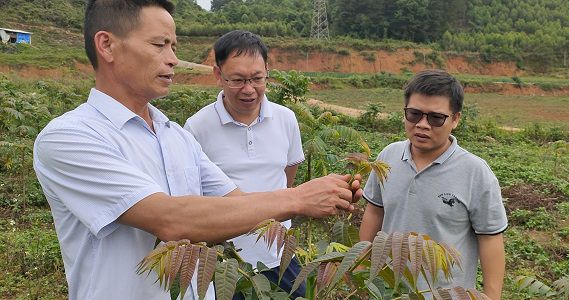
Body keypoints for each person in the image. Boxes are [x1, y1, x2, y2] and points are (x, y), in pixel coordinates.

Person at [32, 1, 361, 299]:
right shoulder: (69, 138)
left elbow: (238, 205)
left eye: (173, 46)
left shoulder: (177, 137)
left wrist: (329, 193)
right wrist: (298, 198)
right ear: (107, 45)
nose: (173, 59)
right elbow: (171, 219)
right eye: (159, 44)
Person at [359, 69, 507, 300]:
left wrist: (491, 297)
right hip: (386, 291)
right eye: (414, 114)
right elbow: (375, 212)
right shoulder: (388, 156)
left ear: (455, 119)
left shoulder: (475, 172)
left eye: (436, 118)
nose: (422, 125)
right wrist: (361, 270)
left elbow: (489, 238)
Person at [183, 30, 306, 298]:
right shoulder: (196, 127)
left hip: (279, 256)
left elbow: (287, 178)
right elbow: (192, 198)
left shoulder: (286, 119)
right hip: (225, 264)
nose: (249, 90)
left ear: (267, 72)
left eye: (257, 79)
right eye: (237, 80)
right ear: (218, 74)